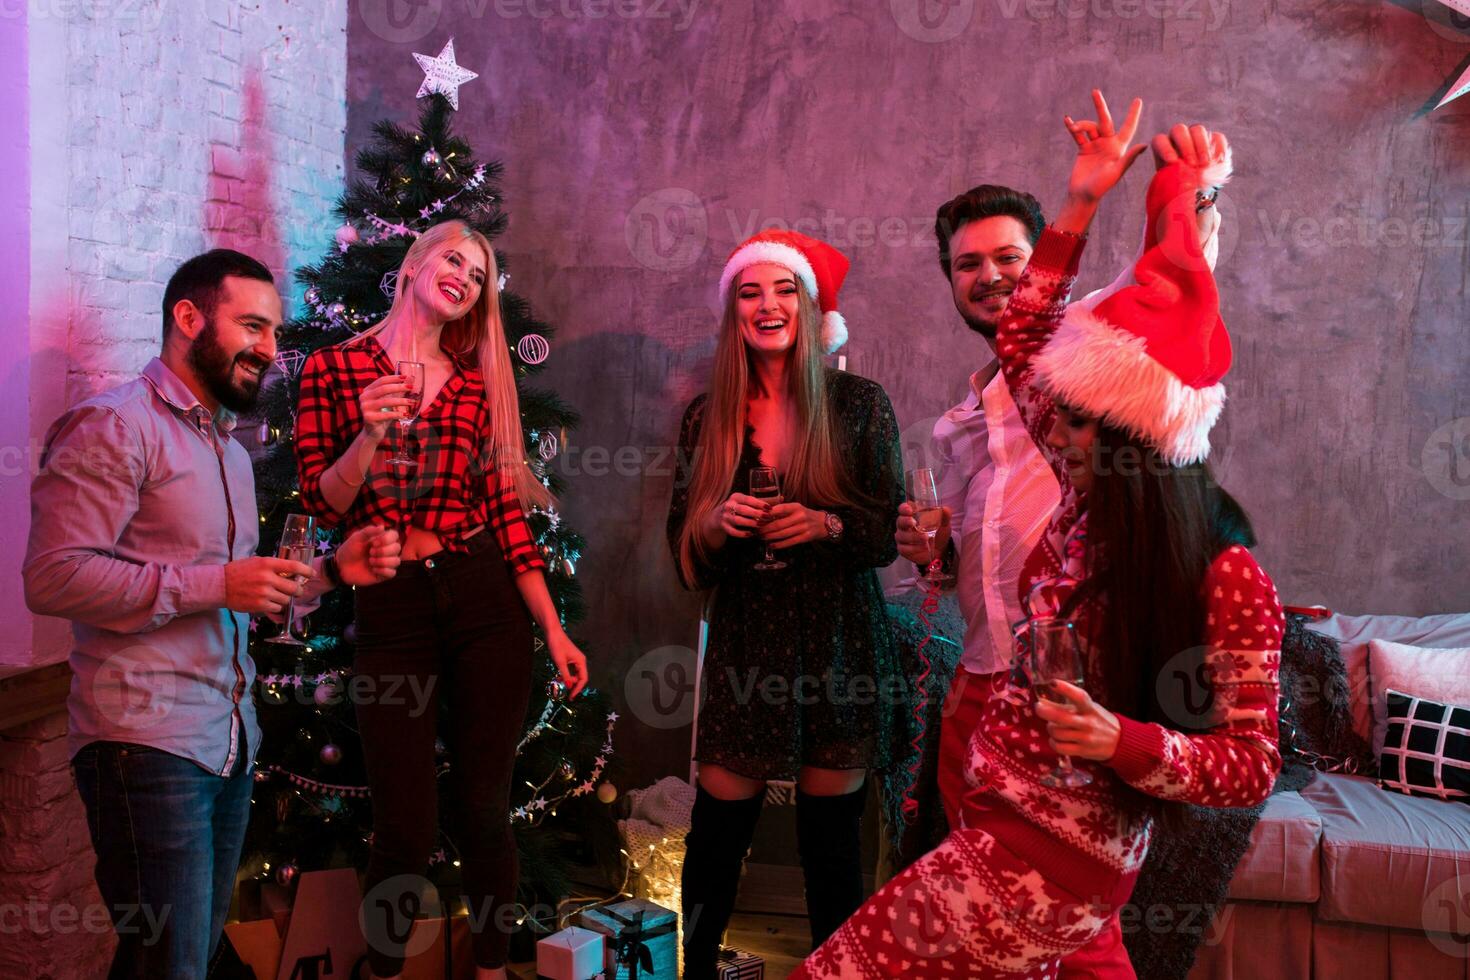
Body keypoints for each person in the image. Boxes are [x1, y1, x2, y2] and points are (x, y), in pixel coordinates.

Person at [794, 93, 1282, 978]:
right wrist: (1086, 199)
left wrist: (1189, 199)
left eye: (1087, 424)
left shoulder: (1221, 567)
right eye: (965, 264)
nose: (1059, 434)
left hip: (1053, 852)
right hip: (993, 779)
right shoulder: (1075, 510)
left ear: (1141, 436)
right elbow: (1033, 339)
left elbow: (1249, 764)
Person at [23, 249, 403, 980]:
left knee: (175, 960)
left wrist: (330, 572)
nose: (271, 348)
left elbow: (237, 591)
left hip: (226, 740)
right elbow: (53, 578)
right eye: (252, 326)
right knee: (173, 966)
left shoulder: (226, 451)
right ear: (188, 318)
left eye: (275, 331)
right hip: (142, 741)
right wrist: (213, 585)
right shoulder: (112, 426)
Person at [293, 219, 588, 980]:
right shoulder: (334, 368)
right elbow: (324, 507)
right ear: (417, 263)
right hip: (391, 608)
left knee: (485, 811)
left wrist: (553, 630)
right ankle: (386, 970)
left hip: (484, 598)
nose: (465, 276)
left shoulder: (474, 384)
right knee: (403, 825)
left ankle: (491, 970)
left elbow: (505, 515)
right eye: (454, 258)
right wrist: (367, 434)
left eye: (480, 273)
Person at [667, 230, 905, 978]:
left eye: (781, 291)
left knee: (830, 844)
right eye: (749, 291)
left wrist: (824, 522)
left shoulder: (859, 404)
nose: (766, 304)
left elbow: (885, 532)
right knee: (716, 833)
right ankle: (694, 968)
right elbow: (683, 545)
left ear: (806, 307)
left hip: (839, 637)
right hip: (748, 639)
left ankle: (834, 972)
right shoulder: (707, 418)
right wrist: (711, 522)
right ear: (733, 311)